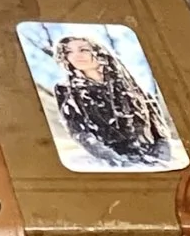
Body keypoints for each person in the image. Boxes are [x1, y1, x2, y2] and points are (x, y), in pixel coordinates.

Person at [50, 33, 173, 168]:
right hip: (108, 161)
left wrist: (161, 154)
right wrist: (115, 161)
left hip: (151, 157)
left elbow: (158, 127)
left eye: (83, 49)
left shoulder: (131, 84)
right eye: (68, 52)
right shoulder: (65, 89)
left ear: (100, 52)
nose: (76, 55)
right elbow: (78, 131)